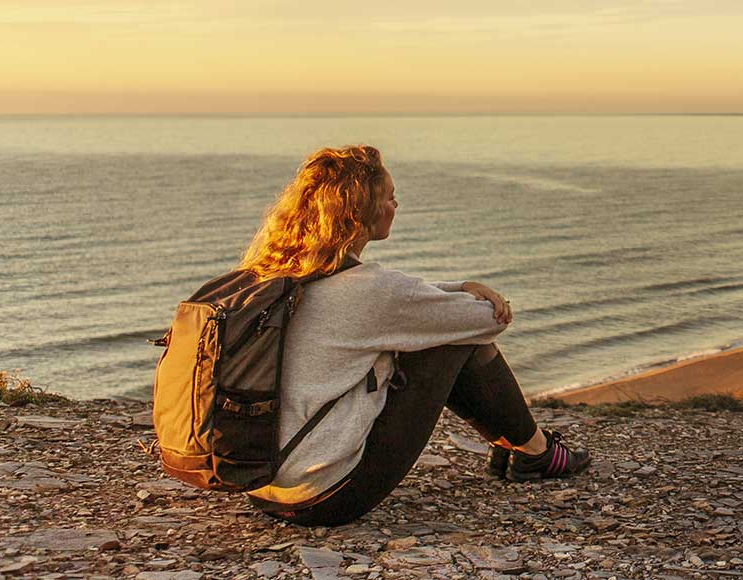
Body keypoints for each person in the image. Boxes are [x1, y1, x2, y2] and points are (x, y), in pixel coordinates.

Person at [239, 145, 591, 526]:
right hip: (324, 497)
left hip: (261, 486)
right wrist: (472, 295)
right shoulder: (371, 290)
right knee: (451, 342)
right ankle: (536, 452)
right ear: (362, 211)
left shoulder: (273, 276)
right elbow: (487, 321)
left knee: (433, 327)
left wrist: (459, 286)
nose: (396, 205)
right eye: (389, 197)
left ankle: (524, 449)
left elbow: (394, 307)